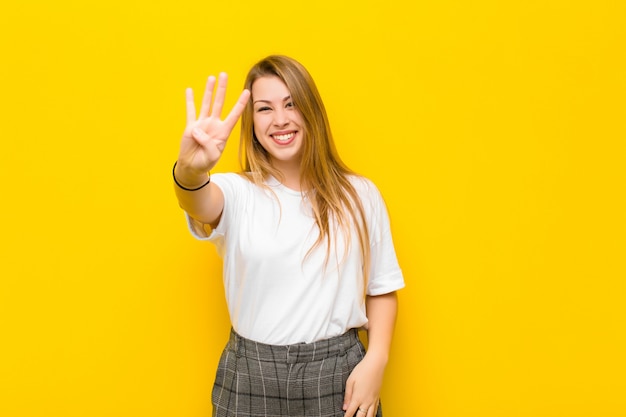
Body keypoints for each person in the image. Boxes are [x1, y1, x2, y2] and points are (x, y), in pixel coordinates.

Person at [173, 55, 405, 417]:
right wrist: (189, 170)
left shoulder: (361, 195)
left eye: (291, 104)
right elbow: (197, 200)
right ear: (252, 124)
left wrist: (376, 360)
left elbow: (382, 287)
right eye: (265, 109)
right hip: (251, 374)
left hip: (338, 375)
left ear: (311, 110)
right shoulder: (235, 193)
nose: (280, 119)